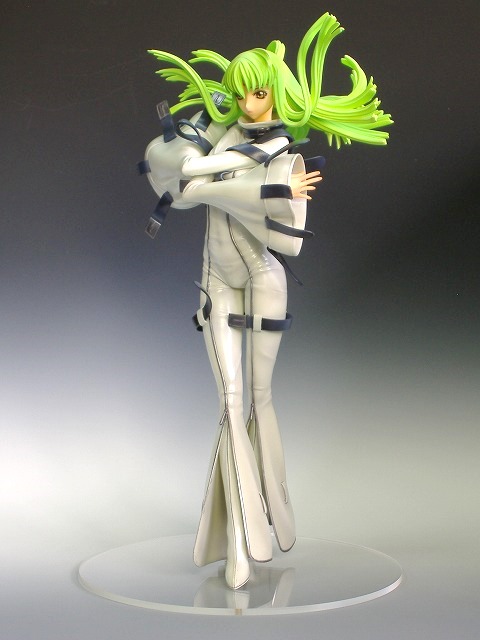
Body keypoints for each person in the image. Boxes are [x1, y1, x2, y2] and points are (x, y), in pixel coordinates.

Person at [147, 12, 392, 589]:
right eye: (240, 94)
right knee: (230, 402)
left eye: (257, 93)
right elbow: (181, 185)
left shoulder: (285, 152)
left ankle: (266, 517)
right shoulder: (228, 137)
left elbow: (282, 236)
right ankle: (237, 541)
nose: (248, 104)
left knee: (259, 399)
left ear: (276, 94)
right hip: (216, 280)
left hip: (265, 278)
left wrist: (253, 186)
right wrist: (257, 186)